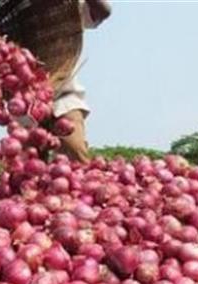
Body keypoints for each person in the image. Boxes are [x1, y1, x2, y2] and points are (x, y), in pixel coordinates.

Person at [54, 0, 112, 163]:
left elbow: (103, 11)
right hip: (27, 106)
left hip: (62, 98)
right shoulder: (15, 17)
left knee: (77, 155)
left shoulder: (64, 8)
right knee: (26, 170)